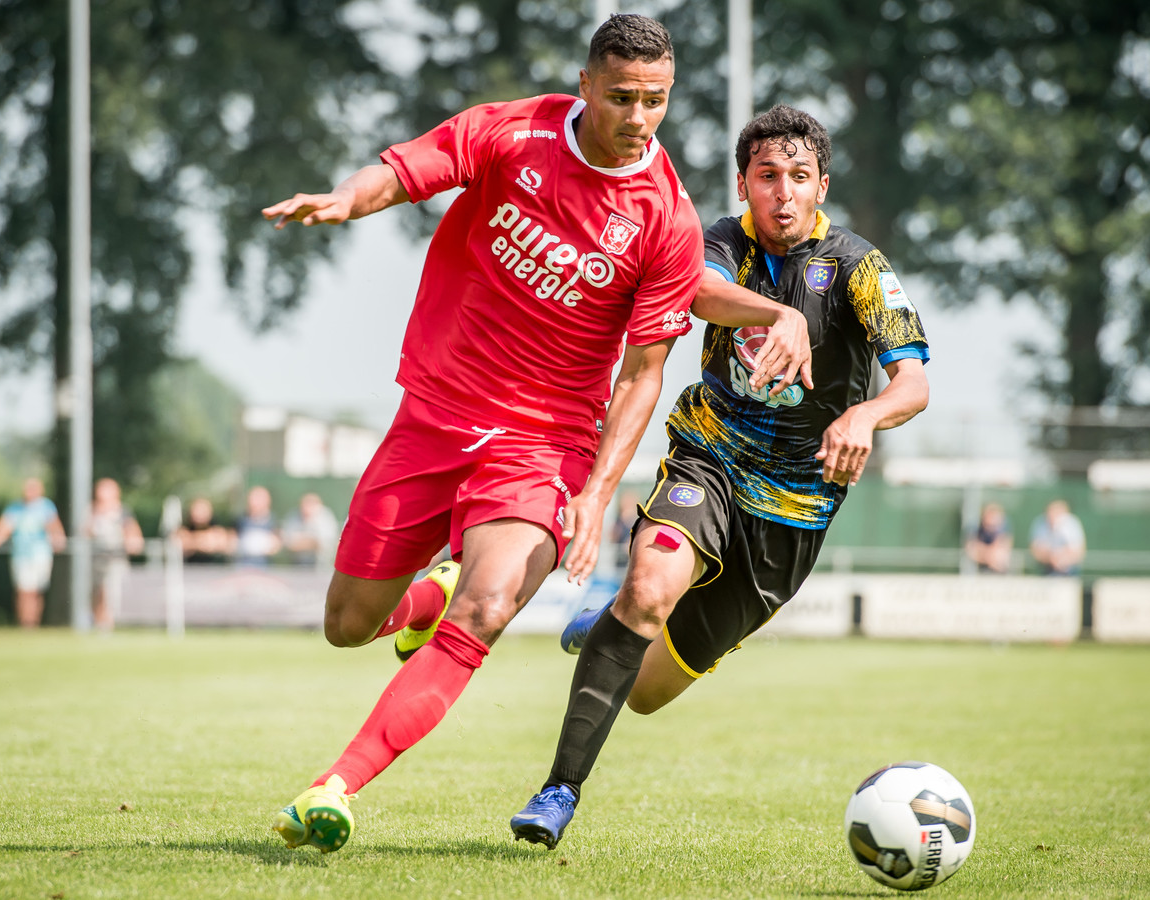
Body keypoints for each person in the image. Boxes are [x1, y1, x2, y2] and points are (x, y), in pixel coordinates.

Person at [256, 15, 757, 855]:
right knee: (347, 623)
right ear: (589, 83)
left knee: (489, 605)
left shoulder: (666, 219)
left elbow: (642, 373)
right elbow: (402, 170)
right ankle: (424, 599)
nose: (640, 117)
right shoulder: (510, 130)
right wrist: (349, 199)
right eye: (624, 96)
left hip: (542, 444)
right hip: (434, 415)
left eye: (657, 101)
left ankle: (332, 787)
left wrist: (596, 497)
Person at [509, 105, 931, 849]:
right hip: (711, 458)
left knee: (642, 694)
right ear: (744, 183)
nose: (782, 192)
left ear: (820, 185)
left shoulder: (860, 268)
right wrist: (777, 315)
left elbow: (913, 384)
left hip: (792, 514)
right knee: (646, 590)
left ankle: (608, 630)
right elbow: (697, 292)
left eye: (798, 177)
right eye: (766, 176)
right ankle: (557, 791)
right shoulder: (716, 240)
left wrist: (864, 418)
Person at [0, 477, 68, 628]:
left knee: (36, 591)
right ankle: (26, 624)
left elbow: (54, 527)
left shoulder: (46, 507)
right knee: (24, 591)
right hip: (21, 555)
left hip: (41, 555)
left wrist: (58, 538)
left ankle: (33, 622)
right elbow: (3, 528)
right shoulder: (15, 508)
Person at [86, 477, 145, 631]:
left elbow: (133, 532)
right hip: (96, 559)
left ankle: (108, 625)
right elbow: (84, 531)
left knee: (110, 592)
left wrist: (133, 543)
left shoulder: (122, 511)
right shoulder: (91, 510)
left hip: (115, 559)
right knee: (96, 592)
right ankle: (98, 623)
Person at [1029, 499, 1086, 576]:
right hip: (1046, 567)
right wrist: (1050, 558)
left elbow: (1078, 552)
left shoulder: (1072, 524)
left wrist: (1062, 560)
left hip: (1069, 569)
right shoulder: (1040, 523)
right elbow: (1035, 551)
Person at [282, 492, 340, 567]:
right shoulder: (293, 516)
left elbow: (325, 544)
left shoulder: (326, 518)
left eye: (310, 504)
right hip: (296, 565)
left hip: (320, 566)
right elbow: (288, 543)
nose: (306, 508)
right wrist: (310, 542)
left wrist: (301, 542)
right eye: (305, 504)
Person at [234, 485, 281, 567]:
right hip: (243, 567)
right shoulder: (240, 521)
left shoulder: (273, 522)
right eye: (253, 498)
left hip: (264, 568)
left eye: (259, 499)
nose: (254, 502)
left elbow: (277, 545)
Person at [176, 497, 233, 564]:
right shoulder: (185, 528)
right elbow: (180, 543)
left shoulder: (217, 527)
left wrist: (192, 541)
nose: (199, 514)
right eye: (197, 510)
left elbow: (224, 543)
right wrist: (205, 541)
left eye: (202, 510)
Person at [964, 502, 1012, 574]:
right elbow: (971, 551)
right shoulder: (976, 529)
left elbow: (1002, 554)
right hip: (978, 572)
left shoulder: (1003, 529)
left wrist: (983, 553)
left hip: (998, 573)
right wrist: (990, 557)